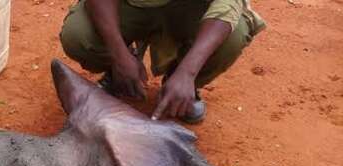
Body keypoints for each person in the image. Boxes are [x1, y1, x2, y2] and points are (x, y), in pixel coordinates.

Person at [60, 0, 266, 123]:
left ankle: (183, 85)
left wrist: (188, 72)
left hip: (192, 7)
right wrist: (119, 55)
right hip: (133, 4)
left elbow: (227, 5)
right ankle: (120, 71)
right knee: (78, 35)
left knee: (233, 35)